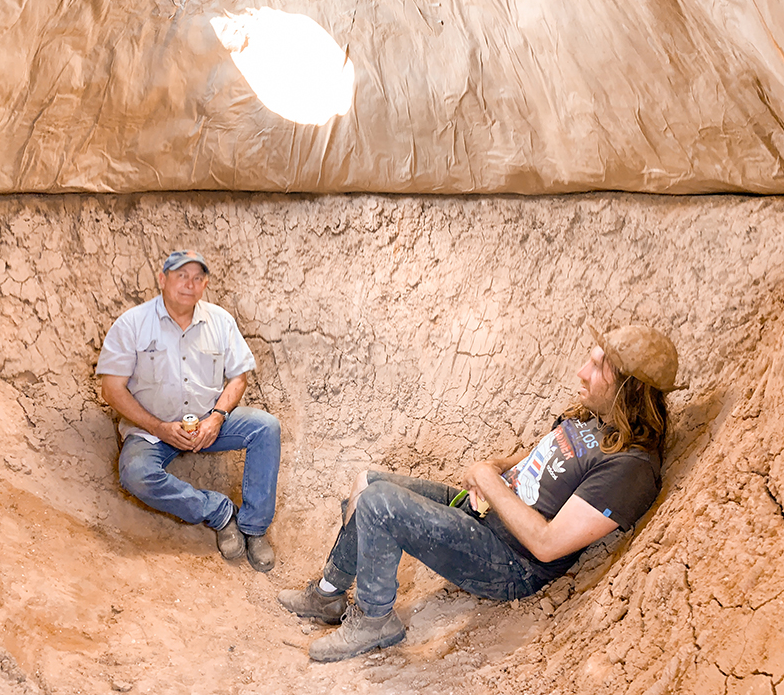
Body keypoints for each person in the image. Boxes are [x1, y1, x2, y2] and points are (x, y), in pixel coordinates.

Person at [279, 323, 678, 661]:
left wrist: (488, 481)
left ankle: (374, 619)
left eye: (595, 366)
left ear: (628, 388)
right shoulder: (598, 418)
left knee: (379, 506)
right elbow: (545, 454)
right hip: (485, 515)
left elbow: (547, 544)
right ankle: (329, 594)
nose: (581, 372)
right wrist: (498, 467)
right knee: (368, 483)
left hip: (511, 563)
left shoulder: (630, 468)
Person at [96, 250, 280, 571]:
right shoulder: (132, 324)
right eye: (181, 275)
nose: (189, 284)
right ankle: (219, 512)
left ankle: (253, 527)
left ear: (205, 283)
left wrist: (217, 417)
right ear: (162, 279)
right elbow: (111, 389)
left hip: (208, 419)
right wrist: (158, 428)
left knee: (266, 427)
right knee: (136, 474)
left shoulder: (220, 321)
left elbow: (239, 377)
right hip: (152, 430)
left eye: (197, 278)